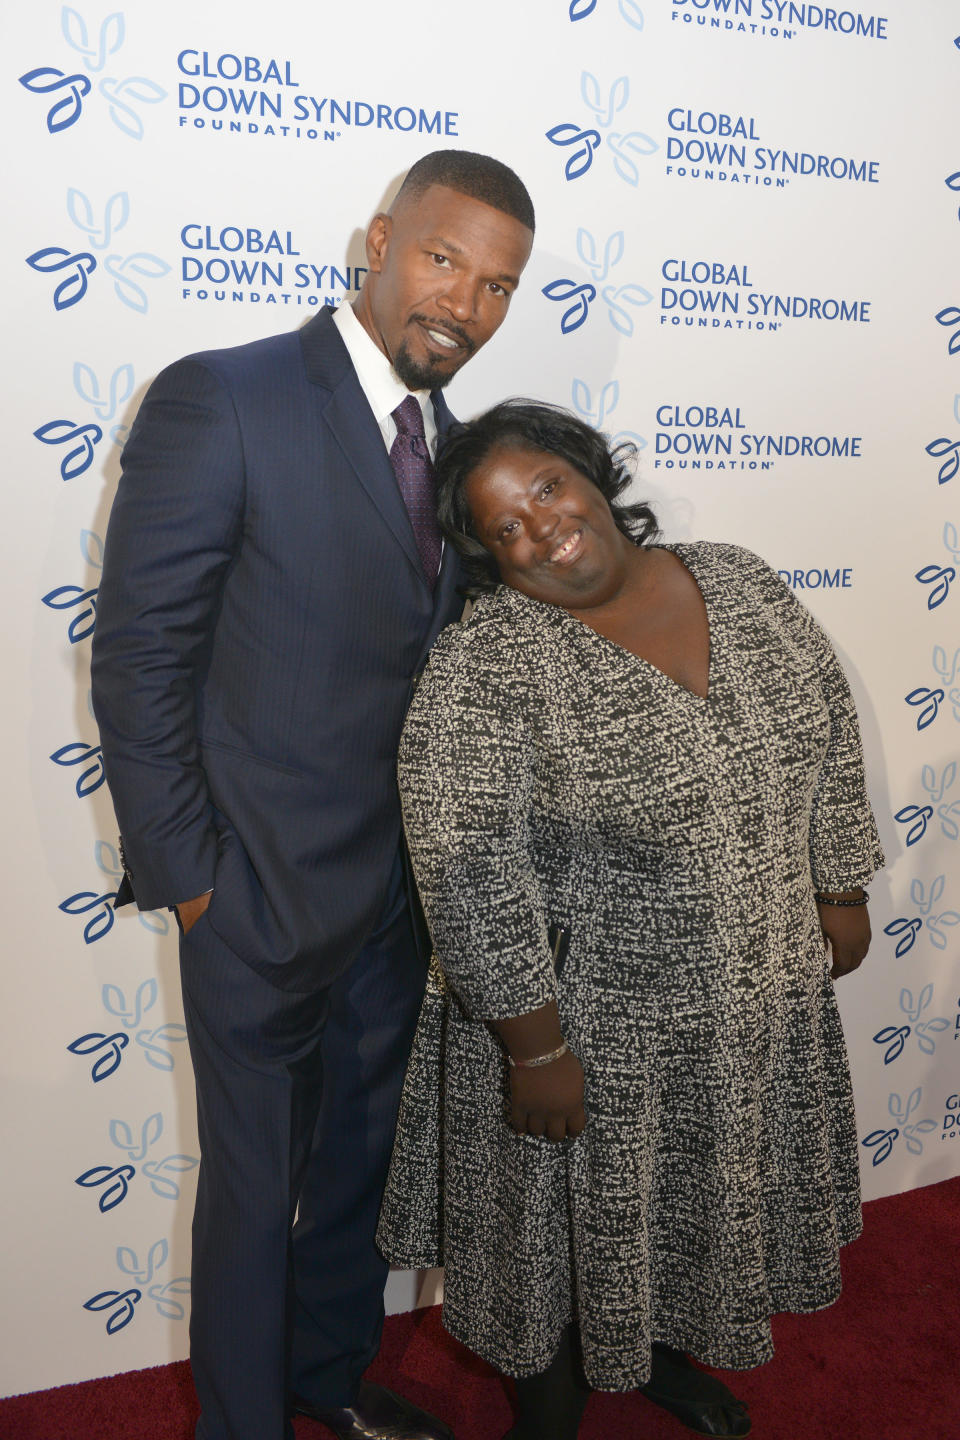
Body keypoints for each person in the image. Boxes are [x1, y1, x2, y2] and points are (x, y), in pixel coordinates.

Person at [90, 153, 535, 1440]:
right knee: (252, 1187)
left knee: (355, 1170)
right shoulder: (223, 398)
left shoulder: (460, 448)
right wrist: (189, 882)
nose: (465, 302)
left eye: (498, 285)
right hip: (252, 899)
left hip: (396, 904)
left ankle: (324, 1385)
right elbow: (140, 656)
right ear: (379, 240)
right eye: (446, 260)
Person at [377, 400, 882, 1440]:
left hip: (748, 997)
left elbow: (823, 724)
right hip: (582, 1032)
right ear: (484, 557)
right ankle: (549, 1417)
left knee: (690, 1205)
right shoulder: (490, 663)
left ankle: (661, 1358)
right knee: (557, 1242)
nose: (540, 530)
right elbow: (465, 862)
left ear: (591, 475)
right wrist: (533, 1043)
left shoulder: (736, 580)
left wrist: (838, 884)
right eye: (503, 528)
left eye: (548, 490)